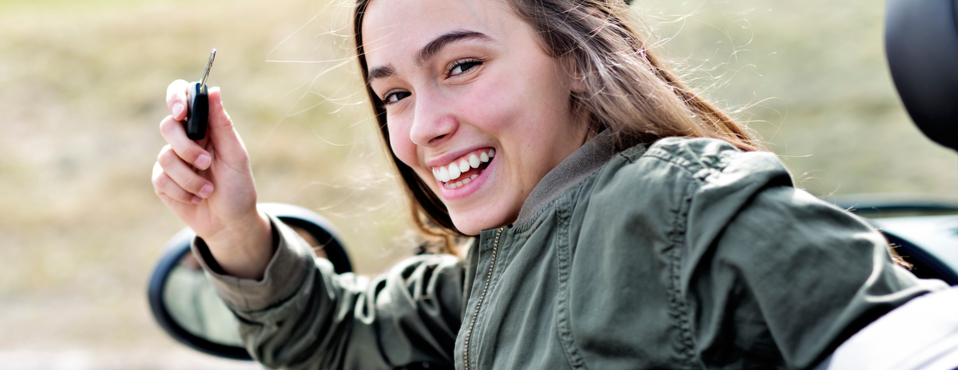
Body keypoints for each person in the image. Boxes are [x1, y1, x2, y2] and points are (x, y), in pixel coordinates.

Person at [151, 0, 948, 368]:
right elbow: (335, 341)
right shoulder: (492, 269)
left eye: (460, 66)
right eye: (394, 94)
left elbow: (917, 342)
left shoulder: (677, 203)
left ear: (575, 52)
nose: (421, 127)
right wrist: (232, 226)